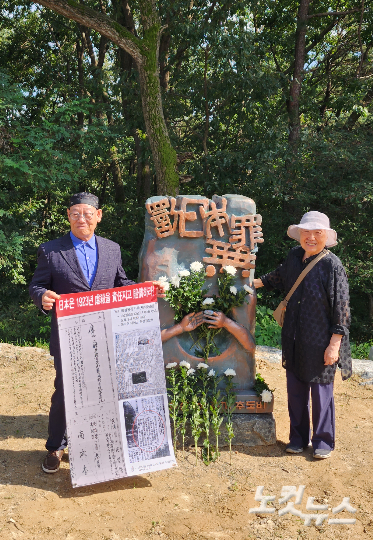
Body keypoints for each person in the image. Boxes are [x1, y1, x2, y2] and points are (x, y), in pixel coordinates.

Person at [29, 192, 163, 474]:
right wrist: (42, 297)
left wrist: (146, 291)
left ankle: (97, 446)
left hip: (106, 334)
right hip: (69, 337)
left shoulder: (111, 249)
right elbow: (37, 285)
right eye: (76, 213)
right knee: (66, 391)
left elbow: (121, 283)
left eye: (88, 213)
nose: (82, 219)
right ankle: (56, 446)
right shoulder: (51, 250)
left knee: (105, 390)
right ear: (68, 216)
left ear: (98, 216)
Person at [253, 211, 351, 459]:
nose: (311, 237)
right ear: (300, 234)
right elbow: (278, 276)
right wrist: (251, 283)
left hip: (320, 342)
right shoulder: (294, 256)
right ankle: (297, 438)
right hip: (294, 338)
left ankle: (323, 441)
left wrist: (334, 345)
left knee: (321, 394)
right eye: (307, 232)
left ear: (325, 236)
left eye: (317, 233)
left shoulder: (332, 264)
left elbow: (342, 307)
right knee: (295, 392)